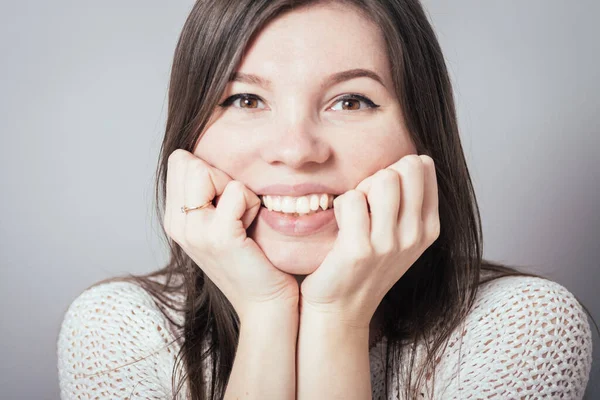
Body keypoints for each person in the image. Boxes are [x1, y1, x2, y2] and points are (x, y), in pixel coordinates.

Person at [56, 0, 595, 399]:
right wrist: (267, 314)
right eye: (245, 98)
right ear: (188, 137)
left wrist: (337, 317)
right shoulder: (120, 329)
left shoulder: (523, 327)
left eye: (351, 100)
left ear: (421, 136)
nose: (295, 150)